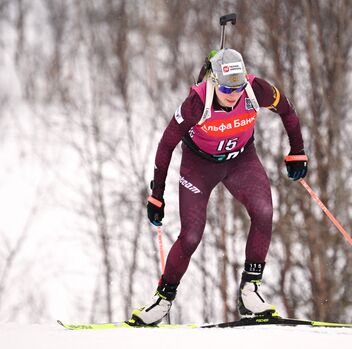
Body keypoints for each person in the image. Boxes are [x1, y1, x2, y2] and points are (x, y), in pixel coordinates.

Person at [128, 48, 308, 326]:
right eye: (226, 87)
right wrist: (157, 195)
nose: (233, 93)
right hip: (199, 166)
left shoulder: (255, 89)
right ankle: (162, 300)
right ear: (213, 80)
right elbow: (166, 145)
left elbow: (287, 110)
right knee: (191, 236)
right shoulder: (196, 103)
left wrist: (297, 151)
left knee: (264, 212)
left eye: (238, 86)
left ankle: (250, 291)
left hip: (241, 160)